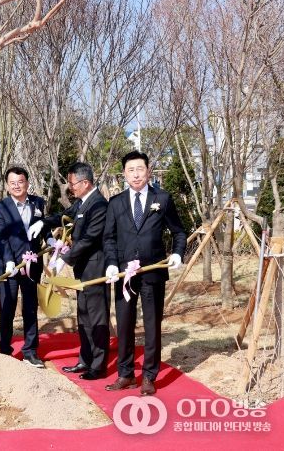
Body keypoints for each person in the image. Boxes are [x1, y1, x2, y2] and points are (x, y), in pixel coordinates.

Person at [103, 151, 186, 395]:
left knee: (152, 325)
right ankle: (126, 374)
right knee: (124, 324)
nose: (136, 174)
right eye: (131, 170)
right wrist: (111, 263)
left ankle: (149, 375)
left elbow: (179, 232)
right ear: (124, 174)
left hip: (153, 272)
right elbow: (109, 238)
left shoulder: (162, 198)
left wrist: (177, 253)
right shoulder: (116, 202)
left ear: (148, 171)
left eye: (140, 169)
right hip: (124, 275)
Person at [34, 162, 110, 380]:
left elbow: (89, 239)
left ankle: (98, 365)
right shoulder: (82, 203)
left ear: (85, 183)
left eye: (72, 183)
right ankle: (85, 359)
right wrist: (42, 222)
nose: (70, 187)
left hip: (96, 268)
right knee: (83, 315)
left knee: (97, 317)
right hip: (82, 268)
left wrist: (64, 259)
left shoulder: (99, 205)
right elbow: (63, 215)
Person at [0, 166, 46, 368]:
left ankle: (30, 351)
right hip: (9, 267)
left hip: (31, 266)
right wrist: (8, 260)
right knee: (8, 307)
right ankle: (5, 349)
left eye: (20, 182)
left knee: (30, 308)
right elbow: (0, 237)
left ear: (27, 183)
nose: (17, 186)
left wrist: (49, 238)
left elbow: (43, 225)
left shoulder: (38, 202)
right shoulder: (0, 208)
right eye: (12, 183)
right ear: (7, 185)